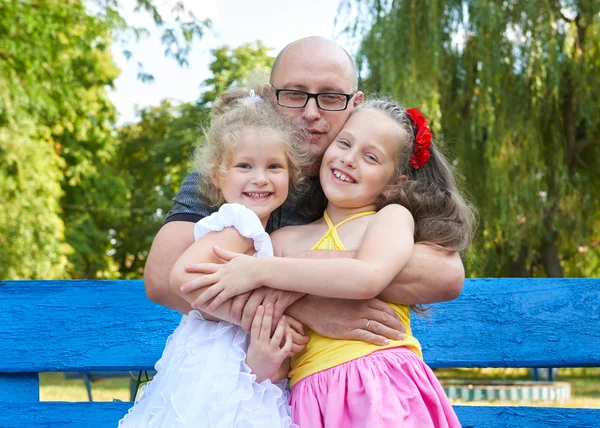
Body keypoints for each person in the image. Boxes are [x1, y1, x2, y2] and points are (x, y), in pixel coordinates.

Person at [144, 36, 465, 352]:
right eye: (295, 94)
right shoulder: (235, 173)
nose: (311, 112)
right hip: (256, 369)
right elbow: (164, 277)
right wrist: (309, 307)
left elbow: (443, 274)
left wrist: (281, 274)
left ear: (355, 104)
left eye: (329, 97)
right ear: (271, 98)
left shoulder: (363, 182)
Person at [183, 100, 475, 427]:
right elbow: (275, 351)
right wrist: (263, 357)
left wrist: (257, 270)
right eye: (345, 143)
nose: (349, 159)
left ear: (395, 183)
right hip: (310, 400)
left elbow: (367, 276)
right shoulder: (283, 240)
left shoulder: (389, 219)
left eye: (370, 157)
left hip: (379, 385)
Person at [119, 87, 309, 427]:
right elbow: (181, 278)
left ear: (291, 175)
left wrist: (266, 349)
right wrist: (256, 318)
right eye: (244, 166)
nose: (260, 178)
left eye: (274, 166)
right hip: (206, 377)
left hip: (240, 377)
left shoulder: (265, 240)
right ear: (217, 176)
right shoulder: (237, 224)